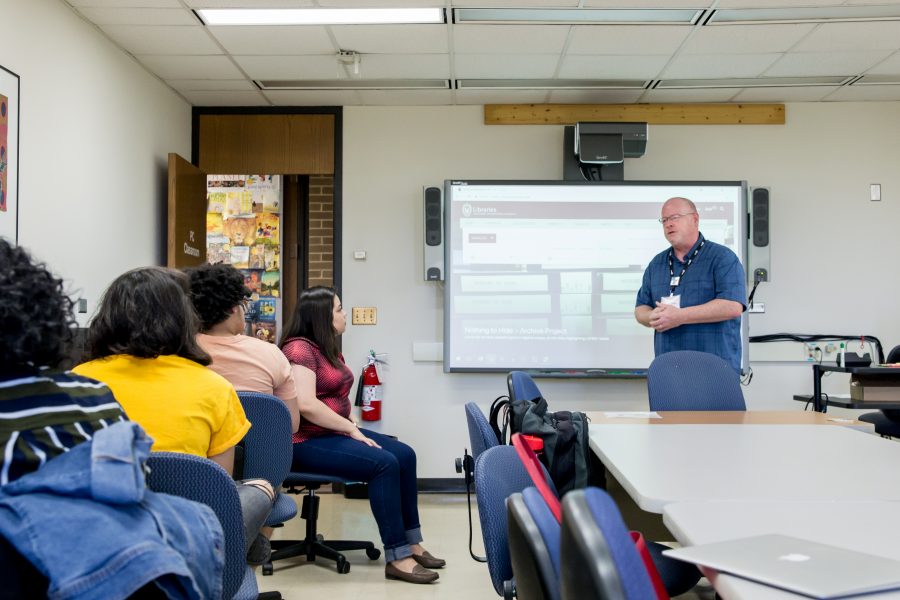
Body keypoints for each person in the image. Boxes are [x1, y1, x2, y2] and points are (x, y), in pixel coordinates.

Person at [72, 266, 275, 564]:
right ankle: (241, 549)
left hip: (99, 538)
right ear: (184, 319)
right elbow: (217, 490)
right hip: (189, 543)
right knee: (259, 488)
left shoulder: (78, 381)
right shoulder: (214, 387)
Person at [280, 286, 444, 585]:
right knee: (384, 463)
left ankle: (412, 542)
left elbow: (335, 392)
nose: (344, 314)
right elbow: (305, 404)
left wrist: (349, 419)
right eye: (339, 309)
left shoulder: (325, 346)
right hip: (304, 441)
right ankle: (398, 557)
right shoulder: (298, 349)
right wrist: (350, 428)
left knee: (405, 455)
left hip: (332, 431)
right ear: (321, 316)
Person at [635, 197, 747, 373]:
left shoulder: (722, 258)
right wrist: (652, 316)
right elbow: (641, 308)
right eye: (664, 220)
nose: (668, 224)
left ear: (695, 219)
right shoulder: (656, 264)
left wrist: (679, 316)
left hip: (714, 371)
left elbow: (732, 306)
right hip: (670, 372)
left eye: (675, 217)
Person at [186, 262, 300, 434]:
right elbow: (291, 425)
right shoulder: (270, 354)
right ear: (234, 308)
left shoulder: (181, 351)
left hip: (197, 455)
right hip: (260, 457)